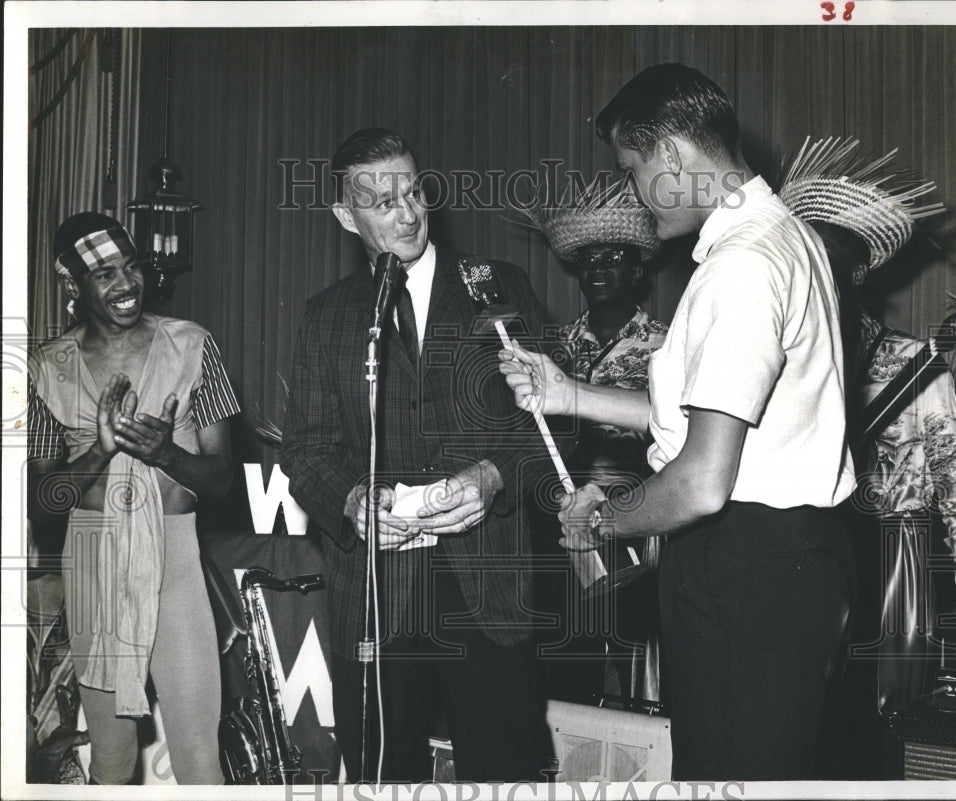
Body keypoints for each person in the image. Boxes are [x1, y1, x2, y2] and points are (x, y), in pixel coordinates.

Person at [500, 64, 856, 779]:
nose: (635, 196)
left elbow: (699, 482)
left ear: (670, 154)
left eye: (632, 171)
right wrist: (572, 393)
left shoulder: (741, 267)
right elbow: (717, 419)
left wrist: (602, 521)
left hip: (742, 570)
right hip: (786, 565)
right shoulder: (784, 238)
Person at [281, 128, 553, 783]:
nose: (406, 213)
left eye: (413, 191)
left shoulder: (497, 286)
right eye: (380, 202)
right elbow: (308, 451)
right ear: (347, 215)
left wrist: (490, 477)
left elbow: (549, 431)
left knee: (504, 774)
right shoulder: (325, 317)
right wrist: (351, 499)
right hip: (375, 590)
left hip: (487, 583)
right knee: (382, 774)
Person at [26, 212, 239, 784]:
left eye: (132, 266)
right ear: (73, 286)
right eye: (104, 275)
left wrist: (166, 453)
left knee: (200, 760)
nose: (126, 284)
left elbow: (222, 482)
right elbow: (43, 506)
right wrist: (99, 449)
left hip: (176, 566)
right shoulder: (46, 369)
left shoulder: (193, 345)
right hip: (94, 566)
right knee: (113, 759)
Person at [776, 138, 956, 721]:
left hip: (894, 558)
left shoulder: (913, 358)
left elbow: (954, 474)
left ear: (860, 270)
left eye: (832, 260)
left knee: (887, 723)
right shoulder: (780, 362)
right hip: (806, 553)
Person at [523, 180, 667, 708]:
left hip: (642, 523)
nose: (599, 268)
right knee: (566, 671)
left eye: (613, 257)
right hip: (567, 528)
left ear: (638, 270)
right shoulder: (553, 349)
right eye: (588, 260)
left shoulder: (668, 345)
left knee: (645, 671)